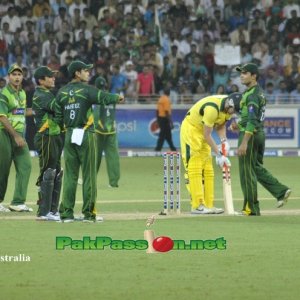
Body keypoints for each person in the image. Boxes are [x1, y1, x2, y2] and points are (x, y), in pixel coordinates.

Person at [55, 60, 123, 223]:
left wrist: (66, 129)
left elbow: (58, 117)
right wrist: (117, 97)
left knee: (70, 176)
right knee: (89, 176)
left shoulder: (62, 92)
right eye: (85, 70)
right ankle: (88, 214)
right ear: (77, 73)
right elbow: (103, 97)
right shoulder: (86, 90)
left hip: (69, 135)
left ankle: (66, 214)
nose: (88, 73)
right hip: (85, 135)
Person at [234, 63, 291, 216]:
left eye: (245, 73)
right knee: (255, 168)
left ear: (254, 76)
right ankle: (281, 191)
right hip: (258, 134)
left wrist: (244, 142)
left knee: (246, 172)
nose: (241, 75)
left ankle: (251, 208)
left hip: (250, 135)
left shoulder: (252, 95)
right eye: (241, 73)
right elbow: (251, 117)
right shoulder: (257, 92)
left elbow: (252, 120)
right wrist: (238, 124)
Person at [180, 92, 242, 214]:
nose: (233, 113)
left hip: (202, 131)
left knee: (208, 167)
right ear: (229, 105)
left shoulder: (227, 107)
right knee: (195, 165)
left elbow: (220, 126)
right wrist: (219, 154)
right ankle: (197, 205)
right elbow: (207, 135)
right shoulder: (212, 109)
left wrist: (224, 141)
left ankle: (209, 205)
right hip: (191, 129)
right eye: (233, 111)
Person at [0, 63, 32, 212]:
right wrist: (16, 136)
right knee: (2, 168)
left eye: (19, 74)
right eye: (14, 74)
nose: (17, 77)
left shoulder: (22, 94)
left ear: (22, 77)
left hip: (18, 134)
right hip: (4, 134)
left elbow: (20, 112)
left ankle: (18, 202)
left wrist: (39, 110)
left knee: (25, 166)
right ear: (9, 77)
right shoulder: (3, 94)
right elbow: (2, 117)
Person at [32, 66, 63, 221]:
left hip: (54, 135)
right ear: (41, 80)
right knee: (48, 172)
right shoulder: (41, 95)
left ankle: (53, 210)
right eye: (50, 76)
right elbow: (58, 108)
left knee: (57, 172)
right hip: (46, 136)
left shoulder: (48, 94)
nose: (53, 78)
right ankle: (43, 212)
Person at [94, 76, 120, 188]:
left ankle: (90, 179)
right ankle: (113, 182)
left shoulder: (97, 96)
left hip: (99, 131)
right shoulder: (112, 96)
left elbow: (96, 114)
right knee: (113, 156)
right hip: (111, 130)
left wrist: (93, 127)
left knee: (95, 156)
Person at [155, 87, 177, 152]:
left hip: (160, 118)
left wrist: (157, 120)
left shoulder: (160, 99)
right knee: (163, 134)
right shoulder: (167, 100)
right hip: (165, 119)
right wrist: (171, 122)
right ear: (169, 93)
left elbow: (157, 111)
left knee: (168, 135)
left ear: (164, 92)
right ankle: (158, 149)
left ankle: (172, 148)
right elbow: (167, 112)